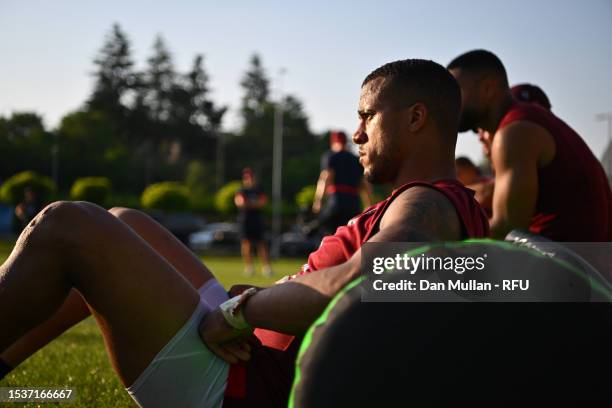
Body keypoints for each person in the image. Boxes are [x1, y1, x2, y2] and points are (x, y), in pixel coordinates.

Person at [0, 59, 489, 408]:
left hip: (246, 385)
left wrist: (240, 311)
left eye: (367, 116)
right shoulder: (433, 202)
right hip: (251, 354)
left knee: (68, 223)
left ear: (416, 119)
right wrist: (259, 304)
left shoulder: (428, 202)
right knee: (126, 220)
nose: (357, 133)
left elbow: (356, 284)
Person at [448, 49, 612, 241]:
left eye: (455, 93)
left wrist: (441, 241)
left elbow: (505, 230)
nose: (449, 103)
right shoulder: (528, 119)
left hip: (563, 265)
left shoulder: (515, 132)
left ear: (488, 88)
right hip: (580, 260)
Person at [310, 131, 372, 236]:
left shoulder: (330, 156)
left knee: (331, 235)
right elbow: (364, 184)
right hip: (354, 204)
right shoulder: (356, 160)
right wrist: (368, 204)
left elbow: (326, 178)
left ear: (333, 142)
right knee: (350, 237)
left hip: (335, 203)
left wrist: (318, 201)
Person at [234, 168, 272, 277]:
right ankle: (249, 267)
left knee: (261, 243)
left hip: (257, 219)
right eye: (246, 177)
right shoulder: (241, 190)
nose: (249, 179)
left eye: (250, 176)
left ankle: (266, 267)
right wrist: (253, 203)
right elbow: (240, 203)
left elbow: (262, 203)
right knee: (246, 243)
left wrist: (249, 203)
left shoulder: (259, 189)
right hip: (245, 219)